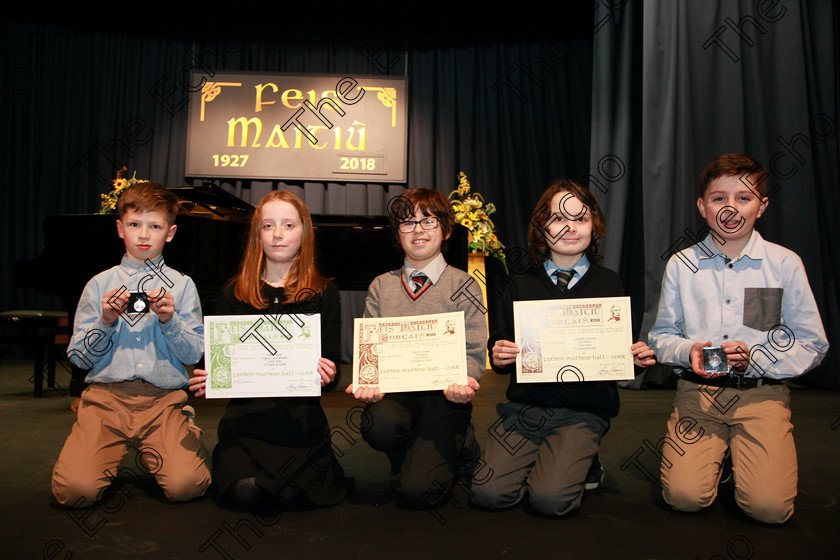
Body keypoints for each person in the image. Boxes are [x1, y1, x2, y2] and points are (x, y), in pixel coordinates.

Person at [648, 153, 829, 524]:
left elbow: (812, 343)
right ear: (702, 206)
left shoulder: (784, 264)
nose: (731, 207)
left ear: (761, 207)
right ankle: (718, 458)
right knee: (685, 498)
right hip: (699, 395)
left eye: (744, 198)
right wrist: (689, 350)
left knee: (770, 510)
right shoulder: (682, 265)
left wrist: (758, 359)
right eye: (719, 198)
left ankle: (741, 456)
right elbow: (661, 336)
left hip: (761, 396)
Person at [471, 179, 656, 516]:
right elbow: (500, 343)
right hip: (526, 410)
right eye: (558, 218)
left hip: (583, 411)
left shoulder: (609, 282)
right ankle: (554, 458)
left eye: (580, 218)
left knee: (549, 500)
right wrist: (498, 354)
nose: (569, 227)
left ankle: (585, 461)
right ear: (541, 229)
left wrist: (637, 358)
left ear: (594, 226)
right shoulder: (519, 284)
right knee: (488, 493)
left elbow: (618, 353)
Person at [189, 190, 350, 511]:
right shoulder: (234, 292)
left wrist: (327, 373)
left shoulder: (323, 293)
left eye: (288, 225)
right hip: (246, 423)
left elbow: (331, 370)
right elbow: (214, 365)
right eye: (268, 226)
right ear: (257, 235)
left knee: (290, 495)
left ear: (304, 232)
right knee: (245, 493)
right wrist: (208, 378)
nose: (278, 234)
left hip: (300, 425)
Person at [52, 182, 209, 505]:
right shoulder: (99, 285)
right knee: (75, 493)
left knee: (187, 487)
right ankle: (92, 436)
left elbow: (194, 353)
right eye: (135, 224)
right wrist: (106, 321)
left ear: (170, 232)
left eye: (154, 226)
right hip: (105, 400)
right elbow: (79, 359)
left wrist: (170, 320)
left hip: (163, 401)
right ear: (119, 228)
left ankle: (183, 424)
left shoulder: (181, 286)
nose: (143, 235)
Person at [346, 188, 487, 509]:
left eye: (429, 221)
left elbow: (475, 348)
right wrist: (368, 378)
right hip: (398, 397)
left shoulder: (464, 284)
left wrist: (465, 380)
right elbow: (371, 346)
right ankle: (418, 458)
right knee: (377, 425)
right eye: (408, 223)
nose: (418, 230)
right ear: (397, 234)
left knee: (418, 494)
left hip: (445, 400)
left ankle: (463, 442)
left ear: (447, 230)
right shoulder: (382, 285)